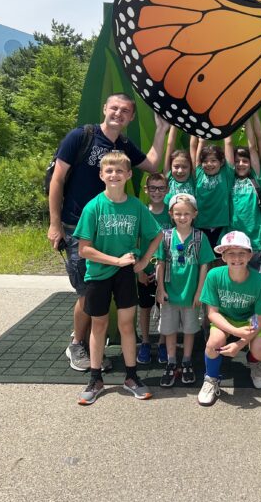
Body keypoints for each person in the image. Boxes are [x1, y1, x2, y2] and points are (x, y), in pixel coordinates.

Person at [47, 93, 169, 372]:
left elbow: (151, 164)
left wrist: (161, 130)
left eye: (125, 111)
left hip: (112, 231)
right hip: (77, 226)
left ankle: (91, 345)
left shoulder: (123, 145)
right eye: (114, 108)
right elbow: (57, 179)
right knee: (86, 292)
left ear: (131, 117)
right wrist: (55, 224)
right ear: (104, 108)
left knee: (102, 290)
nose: (118, 114)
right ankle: (77, 343)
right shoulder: (80, 137)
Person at [74, 152, 163, 405]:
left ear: (128, 175)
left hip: (125, 274)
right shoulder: (94, 206)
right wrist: (116, 261)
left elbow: (156, 235)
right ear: (102, 175)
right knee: (99, 325)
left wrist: (144, 261)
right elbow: (84, 249)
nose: (114, 175)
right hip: (99, 273)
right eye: (109, 171)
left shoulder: (135, 206)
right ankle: (95, 378)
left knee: (127, 326)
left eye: (119, 171)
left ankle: (131, 377)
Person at [198, 231, 261, 406]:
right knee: (213, 343)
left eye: (241, 253)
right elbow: (212, 313)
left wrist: (239, 343)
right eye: (230, 253)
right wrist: (235, 332)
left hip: (250, 321)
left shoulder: (260, 281)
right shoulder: (214, 275)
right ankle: (211, 378)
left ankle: (254, 362)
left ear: (250, 255)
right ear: (223, 256)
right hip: (225, 319)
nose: (236, 258)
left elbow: (260, 318)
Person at [155, 193, 215, 387]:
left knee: (190, 329)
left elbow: (204, 266)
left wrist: (199, 292)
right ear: (171, 214)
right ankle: (172, 361)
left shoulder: (200, 238)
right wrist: (160, 288)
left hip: (190, 295)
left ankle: (187, 360)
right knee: (170, 329)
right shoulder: (165, 237)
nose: (182, 217)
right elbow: (160, 264)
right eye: (178, 213)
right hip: (170, 294)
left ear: (194, 214)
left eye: (186, 213)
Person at [136, 173, 172, 365]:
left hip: (167, 270)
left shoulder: (172, 213)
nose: (157, 192)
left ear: (167, 190)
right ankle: (145, 342)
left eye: (161, 188)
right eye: (153, 188)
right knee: (145, 307)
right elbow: (135, 242)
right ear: (146, 190)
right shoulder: (141, 212)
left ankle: (163, 342)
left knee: (165, 307)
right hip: (146, 269)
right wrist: (140, 270)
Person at [224, 119, 261, 275]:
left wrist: (248, 119)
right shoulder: (229, 179)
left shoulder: (255, 178)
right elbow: (227, 145)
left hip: (254, 243)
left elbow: (252, 147)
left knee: (257, 286)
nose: (241, 164)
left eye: (245, 161)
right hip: (233, 242)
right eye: (237, 161)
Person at [192, 141, 235, 250]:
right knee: (203, 263)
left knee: (220, 261)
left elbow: (228, 143)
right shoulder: (199, 173)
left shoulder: (226, 173)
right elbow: (196, 144)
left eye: (213, 160)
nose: (209, 164)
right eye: (205, 161)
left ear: (221, 162)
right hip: (200, 225)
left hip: (221, 226)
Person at [163, 126, 196, 199]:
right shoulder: (169, 177)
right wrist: (174, 121)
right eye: (176, 167)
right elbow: (169, 144)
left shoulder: (193, 178)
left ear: (190, 167)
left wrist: (194, 123)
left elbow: (193, 146)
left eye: (184, 167)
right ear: (170, 166)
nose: (180, 171)